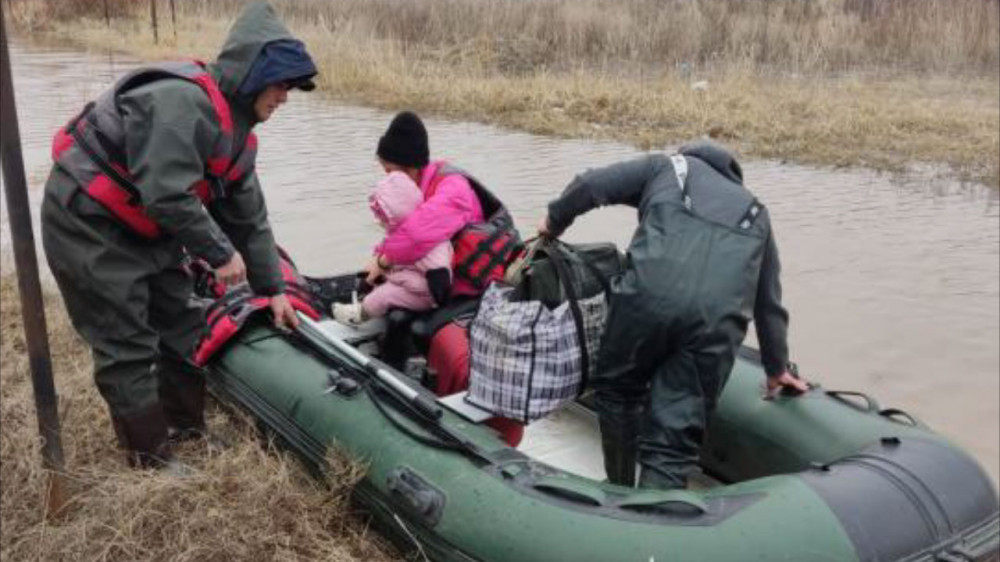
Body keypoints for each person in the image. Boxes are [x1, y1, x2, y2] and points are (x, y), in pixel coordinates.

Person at [40, 2, 316, 470]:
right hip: (90, 223)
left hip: (150, 231)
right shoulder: (180, 101)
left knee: (184, 324)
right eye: (281, 84)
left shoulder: (240, 137)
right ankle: (150, 460)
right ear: (253, 74)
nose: (286, 97)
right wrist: (220, 252)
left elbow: (250, 217)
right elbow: (165, 194)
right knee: (127, 342)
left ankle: (187, 430)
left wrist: (273, 291)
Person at [538, 141, 809, 490]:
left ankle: (619, 489)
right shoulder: (756, 212)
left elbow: (591, 186)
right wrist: (776, 369)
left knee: (619, 392)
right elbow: (768, 301)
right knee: (673, 442)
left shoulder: (666, 167)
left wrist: (555, 220)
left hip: (645, 302)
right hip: (713, 328)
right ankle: (656, 524)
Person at [333, 171, 453, 324]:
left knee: (384, 296)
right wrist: (371, 277)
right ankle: (367, 297)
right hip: (407, 279)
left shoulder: (420, 239)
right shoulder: (405, 232)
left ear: (395, 215)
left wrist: (441, 307)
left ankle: (358, 314)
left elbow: (439, 270)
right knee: (382, 284)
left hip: (423, 295)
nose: (378, 221)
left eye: (381, 216)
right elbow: (387, 254)